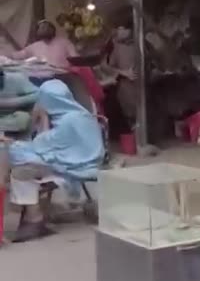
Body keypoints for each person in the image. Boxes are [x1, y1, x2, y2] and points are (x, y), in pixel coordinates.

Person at [1, 79, 104, 242]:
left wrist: (42, 119)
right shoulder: (77, 114)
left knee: (19, 163)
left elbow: (41, 145)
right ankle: (32, 217)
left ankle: (34, 218)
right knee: (20, 160)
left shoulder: (69, 121)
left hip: (77, 165)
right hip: (76, 160)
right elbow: (47, 145)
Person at [103, 20, 140, 132]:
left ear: (130, 30)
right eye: (118, 29)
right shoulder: (117, 47)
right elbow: (107, 67)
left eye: (121, 29)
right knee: (130, 113)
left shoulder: (141, 43)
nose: (119, 31)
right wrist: (123, 72)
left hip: (143, 84)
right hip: (125, 87)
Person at [11, 20, 77, 69]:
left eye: (47, 27)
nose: (45, 29)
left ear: (53, 30)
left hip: (64, 76)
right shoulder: (35, 46)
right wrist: (5, 55)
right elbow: (18, 55)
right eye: (42, 28)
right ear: (37, 31)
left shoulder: (65, 42)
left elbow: (75, 59)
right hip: (42, 77)